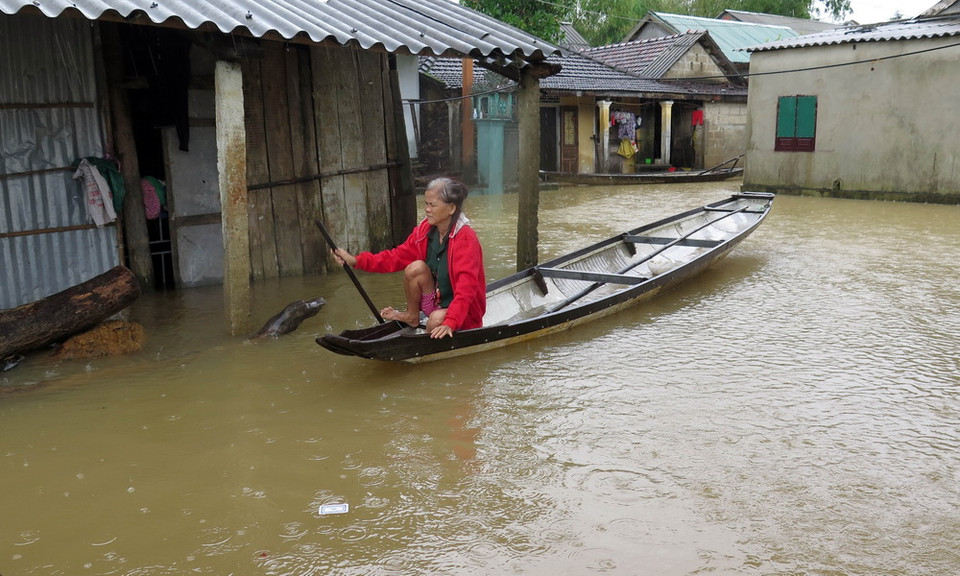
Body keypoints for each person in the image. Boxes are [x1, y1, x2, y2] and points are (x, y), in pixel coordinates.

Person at [332, 177, 485, 339]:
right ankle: (412, 316)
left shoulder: (466, 239)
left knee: (436, 319)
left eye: (432, 205)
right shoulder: (425, 231)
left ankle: (426, 345)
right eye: (426, 204)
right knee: (415, 268)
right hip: (436, 302)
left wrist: (451, 322)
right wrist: (356, 261)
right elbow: (395, 257)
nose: (427, 209)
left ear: (451, 208)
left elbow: (466, 289)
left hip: (463, 314)